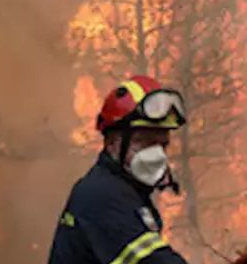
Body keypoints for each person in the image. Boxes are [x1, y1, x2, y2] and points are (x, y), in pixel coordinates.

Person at [48, 75, 189, 264]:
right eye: (145, 142)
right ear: (113, 143)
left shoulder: (125, 191)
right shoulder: (101, 194)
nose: (156, 154)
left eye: (162, 144)